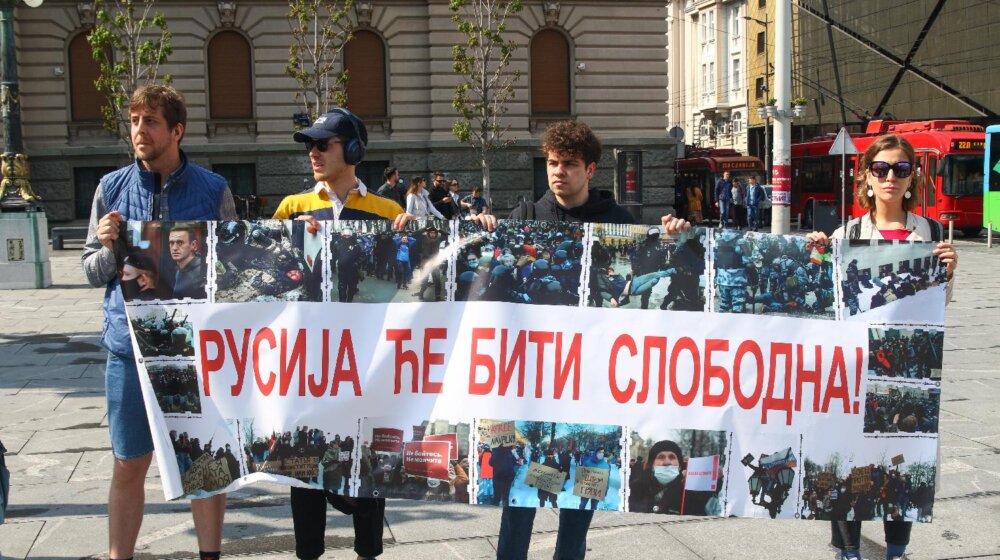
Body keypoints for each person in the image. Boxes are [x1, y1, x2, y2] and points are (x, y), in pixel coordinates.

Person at [498, 119, 690, 560]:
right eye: (552, 163)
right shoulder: (525, 217)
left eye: (568, 164)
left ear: (591, 169)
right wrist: (486, 225)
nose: (558, 172)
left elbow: (648, 277)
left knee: (579, 510)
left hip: (593, 384)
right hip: (535, 380)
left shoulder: (619, 222)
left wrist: (679, 236)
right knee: (519, 506)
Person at [82, 85, 235, 560]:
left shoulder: (213, 190)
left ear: (176, 130)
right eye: (134, 121)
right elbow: (90, 272)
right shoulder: (111, 187)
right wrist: (109, 247)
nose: (140, 131)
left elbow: (231, 271)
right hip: (128, 349)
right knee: (129, 463)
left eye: (150, 121)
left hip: (194, 351)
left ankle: (210, 555)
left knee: (205, 461)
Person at [807, 133, 957, 560]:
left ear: (913, 179)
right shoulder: (848, 232)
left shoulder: (930, 232)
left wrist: (947, 273)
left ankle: (897, 551)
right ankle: (848, 551)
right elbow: (825, 298)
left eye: (901, 169)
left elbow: (938, 306)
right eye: (882, 169)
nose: (891, 177)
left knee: (903, 458)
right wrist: (816, 256)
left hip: (905, 368)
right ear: (867, 178)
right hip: (852, 367)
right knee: (845, 457)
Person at [167, 224, 207, 299]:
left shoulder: (202, 270)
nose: (174, 248)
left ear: (193, 245)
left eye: (180, 243)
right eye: (171, 243)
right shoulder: (180, 269)